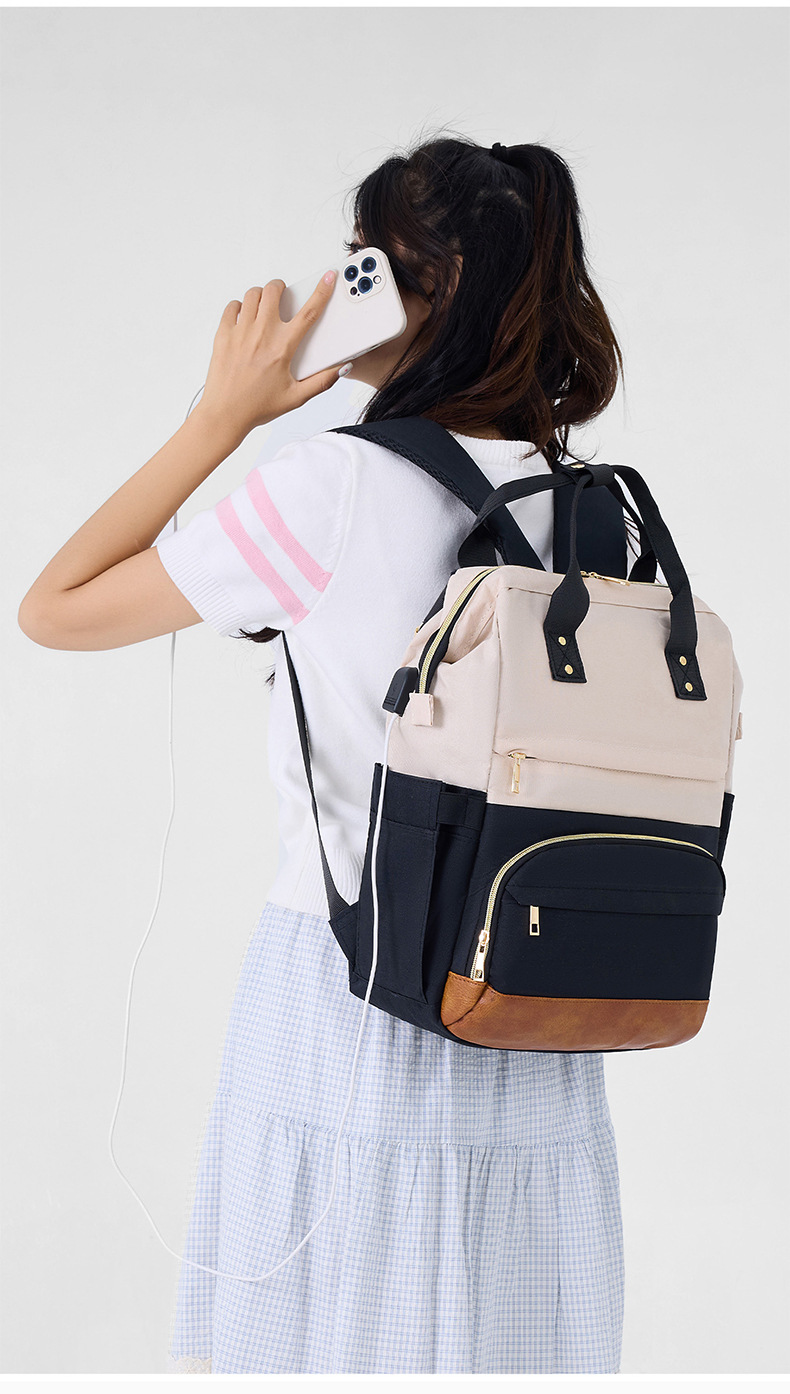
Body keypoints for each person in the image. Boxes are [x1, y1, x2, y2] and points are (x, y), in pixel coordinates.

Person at [18, 132, 636, 1375]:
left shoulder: (330, 488)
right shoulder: (584, 505)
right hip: (529, 987)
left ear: (422, 292)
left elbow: (55, 606)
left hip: (350, 981)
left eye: (360, 262)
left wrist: (219, 417)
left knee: (330, 1331)